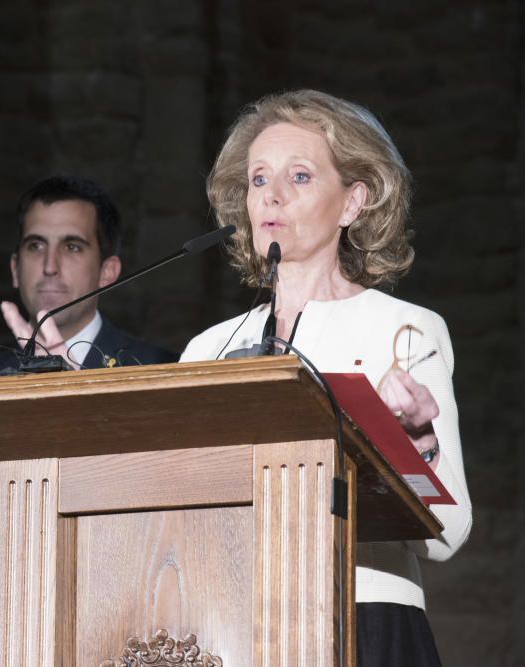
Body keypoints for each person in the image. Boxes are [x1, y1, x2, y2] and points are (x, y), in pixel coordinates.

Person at [180, 90, 473, 666]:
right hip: (232, 626)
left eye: (300, 176)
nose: (273, 194)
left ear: (352, 202)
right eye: (259, 179)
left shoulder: (405, 331)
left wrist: (418, 446)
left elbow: (449, 531)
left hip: (365, 620)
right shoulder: (208, 349)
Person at [0, 175, 178, 667]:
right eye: (36, 246)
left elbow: (173, 533)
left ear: (108, 269)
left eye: (72, 246)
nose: (50, 266)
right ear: (15, 267)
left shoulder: (157, 373)